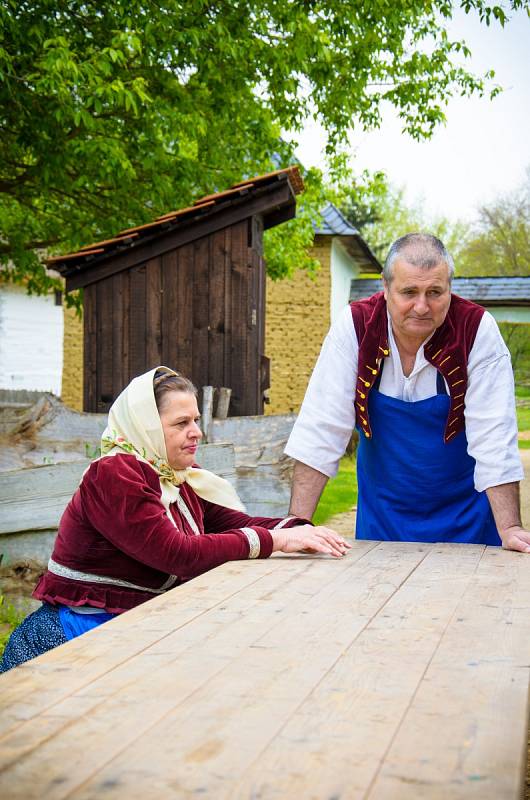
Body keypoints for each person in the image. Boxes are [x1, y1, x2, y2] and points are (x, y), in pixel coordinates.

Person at [1, 366, 350, 673]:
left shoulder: (174, 474)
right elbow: (176, 554)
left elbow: (233, 522)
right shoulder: (116, 474)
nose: (196, 431)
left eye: (196, 420)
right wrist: (274, 541)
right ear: (147, 427)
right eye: (182, 423)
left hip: (132, 625)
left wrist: (300, 531)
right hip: (75, 639)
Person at [285, 233, 530, 552]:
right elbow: (321, 430)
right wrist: (297, 524)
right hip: (382, 518)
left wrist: (510, 528)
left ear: (450, 290)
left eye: (435, 292)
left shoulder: (477, 332)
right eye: (409, 292)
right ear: (386, 289)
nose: (422, 306)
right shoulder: (355, 327)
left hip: (467, 522)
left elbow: (494, 439)